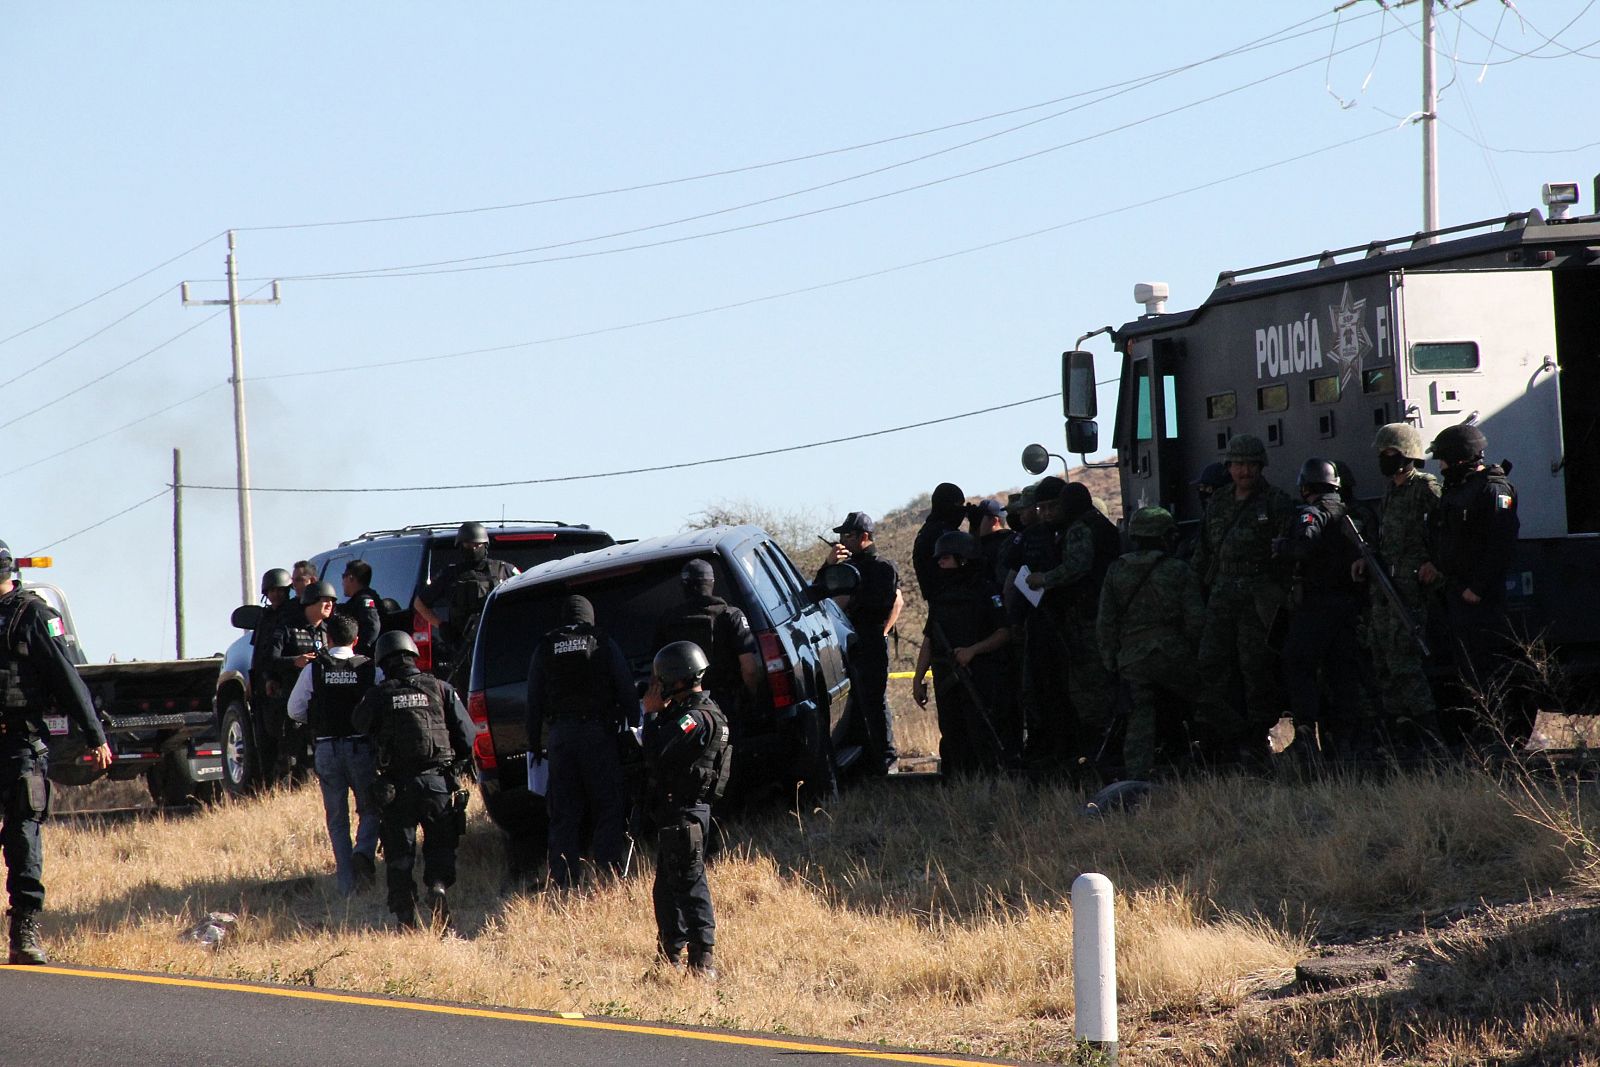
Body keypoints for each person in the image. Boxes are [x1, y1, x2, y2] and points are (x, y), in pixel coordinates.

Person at [0, 540, 112, 964]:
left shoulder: (32, 615)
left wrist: (94, 733)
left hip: (20, 743)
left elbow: (66, 678)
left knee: (22, 838)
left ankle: (23, 932)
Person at [353, 631, 475, 930]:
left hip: (396, 788)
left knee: (399, 853)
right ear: (412, 656)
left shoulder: (378, 695)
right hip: (438, 783)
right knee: (441, 846)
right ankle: (437, 887)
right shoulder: (441, 688)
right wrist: (456, 766)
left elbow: (358, 725)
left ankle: (406, 920)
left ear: (384, 662)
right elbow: (468, 736)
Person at [1191, 434, 1296, 763]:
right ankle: (1216, 737)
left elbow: (1290, 554)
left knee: (1255, 667)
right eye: (1237, 464)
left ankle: (1256, 740)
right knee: (1211, 665)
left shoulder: (1276, 501)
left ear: (1260, 466)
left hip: (1258, 596)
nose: (1244, 471)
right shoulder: (1219, 501)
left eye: (1250, 465)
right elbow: (1204, 550)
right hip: (1222, 594)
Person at [525, 596, 637, 889]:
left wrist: (534, 744)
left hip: (561, 738)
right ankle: (609, 875)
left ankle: (564, 880)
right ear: (589, 617)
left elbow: (533, 701)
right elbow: (625, 687)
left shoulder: (545, 646)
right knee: (608, 806)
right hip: (598, 735)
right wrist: (636, 725)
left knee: (564, 813)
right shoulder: (602, 641)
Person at [1420, 422, 1521, 734]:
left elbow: (1501, 544)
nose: (1440, 466)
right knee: (1467, 670)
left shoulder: (1492, 490)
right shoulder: (1458, 490)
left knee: (1486, 669)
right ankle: (1479, 735)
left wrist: (1477, 588)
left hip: (1479, 598)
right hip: (1456, 592)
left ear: (1459, 458)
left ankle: (1498, 738)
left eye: (1444, 459)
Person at [642, 641, 731, 978]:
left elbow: (658, 749)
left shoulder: (696, 718)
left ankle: (702, 962)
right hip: (679, 811)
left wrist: (651, 714)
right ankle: (669, 957)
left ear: (677, 678)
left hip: (686, 812)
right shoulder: (696, 712)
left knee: (691, 885)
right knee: (666, 887)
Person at [1096, 507, 1204, 781]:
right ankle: (1218, 757)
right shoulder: (1178, 569)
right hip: (1173, 655)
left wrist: (1111, 662)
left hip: (1131, 660)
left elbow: (1105, 623)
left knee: (1139, 716)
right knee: (1207, 702)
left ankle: (1137, 778)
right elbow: (1195, 620)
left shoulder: (1116, 571)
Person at [1273, 459, 1365, 769]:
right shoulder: (1354, 513)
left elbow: (1303, 546)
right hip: (1349, 607)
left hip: (1317, 605)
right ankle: (1346, 743)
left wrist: (1281, 546)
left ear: (1306, 487)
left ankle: (1305, 738)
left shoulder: (1311, 513)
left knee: (1296, 661)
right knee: (1343, 673)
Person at [1026, 481, 1122, 773]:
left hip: (1087, 617)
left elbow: (1076, 567)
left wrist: (1043, 579)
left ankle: (1100, 753)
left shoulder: (1081, 528)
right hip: (1101, 613)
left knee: (1089, 687)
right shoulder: (1100, 525)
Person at [1359, 423, 1442, 746]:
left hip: (1409, 587)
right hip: (1385, 585)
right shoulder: (1391, 490)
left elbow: (1444, 532)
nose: (1385, 459)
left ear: (1408, 455)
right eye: (1382, 454)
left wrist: (1434, 565)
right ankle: (1400, 736)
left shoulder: (1425, 487)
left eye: (1391, 453)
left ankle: (1432, 737)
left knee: (1405, 663)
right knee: (1382, 660)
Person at [288, 613, 379, 896]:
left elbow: (294, 710)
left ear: (328, 639)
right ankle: (363, 851)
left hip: (326, 748)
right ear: (356, 640)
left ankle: (346, 884)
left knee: (337, 818)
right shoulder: (369, 668)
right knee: (372, 808)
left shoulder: (314, 670)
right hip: (361, 747)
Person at [911, 530, 1011, 775]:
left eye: (945, 558)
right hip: (947, 678)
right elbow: (930, 638)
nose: (940, 563)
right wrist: (918, 677)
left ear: (962, 559)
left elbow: (1004, 633)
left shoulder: (986, 591)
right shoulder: (940, 596)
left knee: (982, 734)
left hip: (980, 676)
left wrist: (973, 651)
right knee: (953, 735)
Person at [819, 512, 902, 775]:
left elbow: (888, 604)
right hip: (843, 645)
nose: (843, 540)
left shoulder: (882, 567)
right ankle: (865, 758)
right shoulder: (842, 569)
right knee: (851, 703)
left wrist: (852, 598)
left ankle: (886, 759)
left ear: (864, 537)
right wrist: (828, 565)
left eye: (848, 535)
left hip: (870, 640)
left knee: (875, 702)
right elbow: (819, 592)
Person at [651, 560, 761, 718]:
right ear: (711, 583)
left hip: (682, 708)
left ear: (684, 586)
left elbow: (656, 673)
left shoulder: (668, 619)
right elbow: (749, 669)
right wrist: (752, 699)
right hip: (725, 704)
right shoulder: (730, 616)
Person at [413, 522, 517, 686]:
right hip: (463, 645)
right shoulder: (450, 574)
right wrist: (441, 625)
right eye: (468, 545)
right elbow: (420, 603)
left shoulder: (504, 570)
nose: (473, 549)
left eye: (477, 544)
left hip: (499, 645)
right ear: (460, 546)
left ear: (485, 545)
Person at [263, 579, 338, 774]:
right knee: (291, 754)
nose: (329, 605)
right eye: (324, 600)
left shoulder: (328, 631)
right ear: (311, 602)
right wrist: (294, 661)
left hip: (321, 698)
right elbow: (269, 660)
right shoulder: (287, 629)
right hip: (292, 697)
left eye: (332, 600)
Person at [912, 483, 967, 600]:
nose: (961, 510)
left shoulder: (927, 532)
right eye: (958, 505)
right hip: (949, 602)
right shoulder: (938, 534)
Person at [337, 559, 382, 656]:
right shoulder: (358, 600)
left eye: (343, 576)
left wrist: (359, 652)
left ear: (351, 578)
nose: (342, 582)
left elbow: (372, 626)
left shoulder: (365, 600)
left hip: (368, 658)